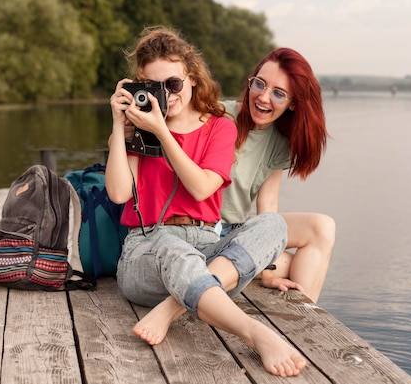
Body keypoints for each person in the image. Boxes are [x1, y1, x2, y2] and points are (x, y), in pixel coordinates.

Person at [106, 27, 306, 377]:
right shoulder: (139, 128)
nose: (168, 95)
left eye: (174, 84)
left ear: (193, 78)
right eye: (156, 87)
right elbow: (120, 194)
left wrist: (163, 132)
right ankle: (254, 332)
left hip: (206, 245)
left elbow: (201, 188)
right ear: (142, 87)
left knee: (273, 224)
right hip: (146, 249)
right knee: (172, 248)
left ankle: (171, 307)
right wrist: (118, 131)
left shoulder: (220, 127)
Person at [219, 47, 335, 303]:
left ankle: (305, 317)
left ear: (293, 102)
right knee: (295, 264)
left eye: (278, 93)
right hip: (205, 235)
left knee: (322, 228)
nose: (262, 97)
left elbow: (267, 207)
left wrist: (268, 265)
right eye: (259, 84)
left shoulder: (279, 141)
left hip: (237, 234)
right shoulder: (218, 117)